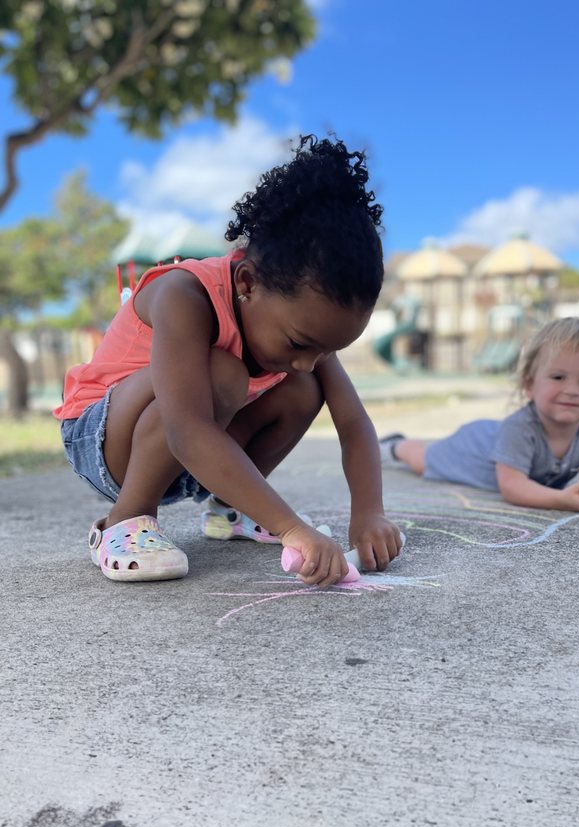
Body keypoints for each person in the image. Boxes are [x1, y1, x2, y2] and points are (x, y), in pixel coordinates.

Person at [55, 135, 403, 585]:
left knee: (303, 388)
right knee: (223, 372)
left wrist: (369, 513)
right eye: (300, 343)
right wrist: (291, 527)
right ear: (246, 283)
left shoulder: (303, 331)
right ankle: (125, 521)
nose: (308, 360)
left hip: (190, 452)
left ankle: (232, 508)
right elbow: (186, 428)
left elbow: (353, 423)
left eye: (325, 349)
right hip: (105, 441)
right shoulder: (184, 295)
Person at [379, 317, 579, 513]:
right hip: (472, 448)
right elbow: (512, 486)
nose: (572, 390)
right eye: (558, 377)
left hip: (495, 438)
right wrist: (560, 499)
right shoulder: (521, 426)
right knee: (423, 460)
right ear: (529, 384)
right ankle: (393, 447)